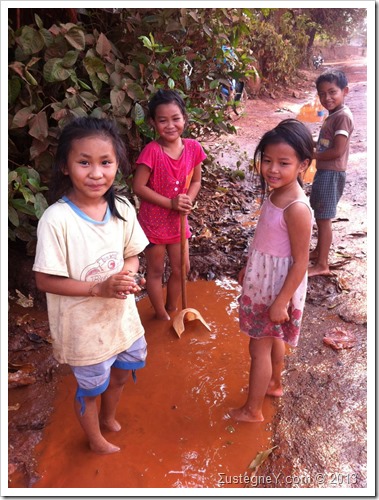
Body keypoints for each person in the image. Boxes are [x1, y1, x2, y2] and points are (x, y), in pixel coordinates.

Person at [33, 117, 149, 454]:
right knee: (91, 386)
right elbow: (44, 280)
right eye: (84, 162)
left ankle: (108, 418)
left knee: (124, 371)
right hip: (83, 327)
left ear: (117, 165)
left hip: (121, 318)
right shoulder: (57, 220)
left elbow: (133, 255)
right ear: (66, 167)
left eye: (105, 162)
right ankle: (95, 439)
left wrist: (126, 275)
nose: (96, 173)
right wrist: (97, 288)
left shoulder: (122, 207)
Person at [230, 119, 313, 422]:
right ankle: (274, 384)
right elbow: (266, 240)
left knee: (258, 348)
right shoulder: (276, 193)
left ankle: (252, 411)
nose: (273, 169)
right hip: (264, 280)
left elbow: (301, 261)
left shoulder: (297, 208)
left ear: (303, 165)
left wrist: (281, 301)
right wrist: (248, 266)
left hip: (276, 289)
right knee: (272, 338)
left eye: (283, 163)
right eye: (267, 160)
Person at [132, 90, 206, 320]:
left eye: (176, 118)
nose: (170, 125)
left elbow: (196, 180)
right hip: (153, 221)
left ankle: (173, 308)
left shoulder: (193, 148)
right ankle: (161, 315)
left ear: (184, 118)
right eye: (162, 120)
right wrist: (170, 203)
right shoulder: (152, 152)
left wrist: (187, 200)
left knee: (181, 268)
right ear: (153, 122)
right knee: (155, 271)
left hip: (178, 220)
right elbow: (139, 187)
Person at [308, 69, 354, 276]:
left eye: (332, 92)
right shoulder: (334, 115)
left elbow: (337, 150)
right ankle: (319, 251)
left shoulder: (342, 117)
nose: (327, 98)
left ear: (345, 91)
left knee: (324, 218)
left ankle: (322, 264)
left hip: (331, 173)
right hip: (325, 172)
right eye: (322, 93)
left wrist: (313, 155)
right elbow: (326, 143)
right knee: (320, 215)